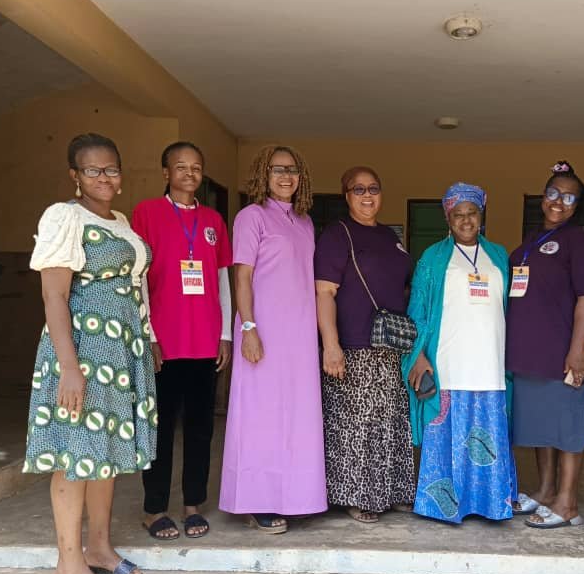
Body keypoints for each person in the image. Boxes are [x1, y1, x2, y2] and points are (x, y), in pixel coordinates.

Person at [24, 133, 156, 574]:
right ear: (75, 176)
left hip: (122, 354)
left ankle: (99, 547)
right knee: (76, 456)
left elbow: (135, 290)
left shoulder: (120, 222)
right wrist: (69, 366)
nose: (105, 178)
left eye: (112, 169)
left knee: (107, 453)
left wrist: (149, 340)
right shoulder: (64, 217)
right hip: (82, 351)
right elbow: (54, 295)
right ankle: (69, 567)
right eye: (93, 170)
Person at [218, 145, 327, 534]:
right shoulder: (251, 217)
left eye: (293, 170)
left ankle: (296, 497)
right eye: (277, 169)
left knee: (296, 417)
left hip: (298, 335)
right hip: (262, 332)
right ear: (263, 175)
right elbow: (241, 276)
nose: (286, 176)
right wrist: (248, 327)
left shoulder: (305, 222)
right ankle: (256, 500)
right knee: (260, 417)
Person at [131, 142, 233, 540]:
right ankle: (154, 508)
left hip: (205, 340)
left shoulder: (213, 221)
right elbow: (137, 277)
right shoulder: (147, 213)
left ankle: (193, 504)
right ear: (165, 172)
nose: (189, 174)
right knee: (158, 429)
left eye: (196, 167)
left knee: (200, 428)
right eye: (180, 167)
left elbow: (223, 277)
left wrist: (225, 333)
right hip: (164, 343)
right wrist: (149, 334)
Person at [402, 182, 516, 523]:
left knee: (488, 436)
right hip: (448, 363)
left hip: (491, 365)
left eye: (472, 213)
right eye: (458, 215)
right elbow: (417, 309)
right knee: (448, 436)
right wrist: (419, 354)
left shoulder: (498, 255)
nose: (466, 220)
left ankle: (490, 503)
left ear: (481, 216)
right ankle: (443, 506)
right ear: (448, 219)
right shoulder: (434, 258)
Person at [315, 166, 416, 523]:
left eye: (373, 188)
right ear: (346, 195)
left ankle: (392, 490)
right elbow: (324, 292)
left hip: (389, 346)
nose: (367, 195)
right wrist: (331, 344)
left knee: (389, 421)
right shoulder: (337, 235)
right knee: (355, 425)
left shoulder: (390, 236)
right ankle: (354, 494)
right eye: (358, 189)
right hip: (353, 346)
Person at [506, 161, 584, 529]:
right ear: (541, 197)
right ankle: (545, 491)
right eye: (552, 193)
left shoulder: (580, 243)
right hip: (529, 353)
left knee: (566, 428)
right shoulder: (532, 241)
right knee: (539, 427)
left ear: (577, 205)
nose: (557, 202)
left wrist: (577, 351)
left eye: (568, 197)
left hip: (561, 354)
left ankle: (567, 502)